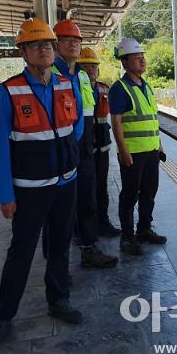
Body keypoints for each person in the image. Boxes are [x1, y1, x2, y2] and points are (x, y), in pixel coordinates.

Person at [0, 17, 83, 347]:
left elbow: (77, 126)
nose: (43, 50)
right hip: (29, 190)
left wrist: (70, 160)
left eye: (47, 44)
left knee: (59, 245)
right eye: (35, 45)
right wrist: (5, 195)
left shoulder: (66, 84)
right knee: (21, 252)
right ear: (23, 52)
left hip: (65, 184)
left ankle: (58, 300)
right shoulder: (8, 92)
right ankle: (3, 315)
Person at [52, 19, 117, 268]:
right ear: (56, 44)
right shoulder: (52, 73)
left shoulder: (80, 74)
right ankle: (58, 263)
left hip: (85, 147)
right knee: (61, 206)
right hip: (62, 148)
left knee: (87, 198)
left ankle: (89, 248)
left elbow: (85, 112)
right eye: (67, 40)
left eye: (77, 40)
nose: (73, 44)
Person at [108, 38, 167, 256]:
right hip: (133, 153)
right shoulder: (120, 89)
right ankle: (127, 236)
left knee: (149, 192)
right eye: (136, 57)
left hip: (151, 151)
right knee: (130, 195)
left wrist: (159, 146)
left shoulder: (146, 86)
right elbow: (116, 122)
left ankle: (144, 229)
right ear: (125, 62)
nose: (142, 60)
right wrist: (123, 151)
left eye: (143, 56)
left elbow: (152, 119)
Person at [76, 47, 121, 237]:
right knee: (85, 190)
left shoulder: (104, 88)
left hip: (102, 146)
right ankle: (82, 229)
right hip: (83, 148)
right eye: (86, 66)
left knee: (101, 187)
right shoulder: (74, 88)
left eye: (93, 66)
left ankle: (103, 222)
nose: (91, 69)